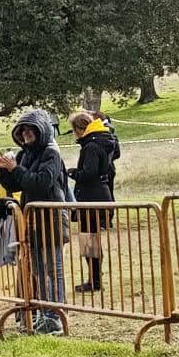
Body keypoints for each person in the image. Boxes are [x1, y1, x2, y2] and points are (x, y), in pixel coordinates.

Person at [0, 109, 71, 334]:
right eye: (22, 130)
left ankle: (55, 316)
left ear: (40, 130)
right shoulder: (25, 154)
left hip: (51, 218)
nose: (25, 134)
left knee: (52, 270)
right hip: (32, 219)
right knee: (38, 270)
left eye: (29, 129)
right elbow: (16, 186)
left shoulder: (51, 153)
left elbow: (40, 182)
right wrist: (4, 169)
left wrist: (14, 168)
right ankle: (44, 313)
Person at [68, 109, 119, 294]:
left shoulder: (91, 146)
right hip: (99, 195)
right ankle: (94, 279)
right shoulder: (101, 141)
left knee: (89, 241)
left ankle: (95, 280)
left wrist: (72, 173)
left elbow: (89, 173)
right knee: (91, 241)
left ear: (79, 128)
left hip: (91, 198)